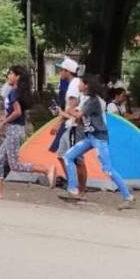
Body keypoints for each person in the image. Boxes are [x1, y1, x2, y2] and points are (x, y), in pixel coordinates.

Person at [61, 75, 135, 209]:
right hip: (90, 137)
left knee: (108, 169)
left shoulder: (93, 101)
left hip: (98, 138)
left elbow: (78, 115)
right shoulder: (89, 100)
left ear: (86, 85)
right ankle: (73, 189)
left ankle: (127, 196)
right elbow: (80, 119)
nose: (78, 86)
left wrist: (67, 110)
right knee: (68, 156)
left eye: (80, 84)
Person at [0, 66, 46, 199]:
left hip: (14, 130)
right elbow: (15, 112)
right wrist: (4, 119)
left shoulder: (14, 92)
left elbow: (17, 112)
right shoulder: (15, 92)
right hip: (14, 129)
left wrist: (3, 122)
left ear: (17, 77)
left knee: (15, 165)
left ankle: (45, 169)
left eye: (11, 73)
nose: (8, 76)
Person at [47, 58, 87, 192]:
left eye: (62, 70)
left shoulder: (73, 87)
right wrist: (60, 120)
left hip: (74, 127)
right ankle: (72, 183)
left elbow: (73, 112)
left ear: (67, 71)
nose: (60, 73)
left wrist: (60, 114)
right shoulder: (73, 84)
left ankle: (79, 190)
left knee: (76, 158)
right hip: (69, 126)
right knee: (61, 155)